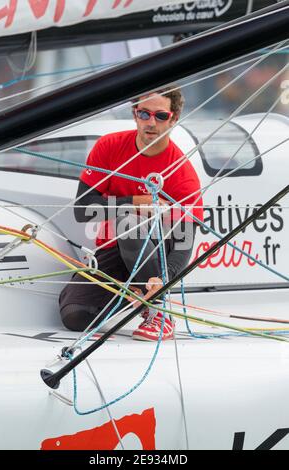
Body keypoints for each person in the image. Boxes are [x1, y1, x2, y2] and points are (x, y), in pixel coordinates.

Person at [59, 86, 204, 340]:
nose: (151, 123)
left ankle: (158, 310)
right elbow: (83, 211)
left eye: (160, 116)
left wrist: (163, 279)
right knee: (75, 316)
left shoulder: (182, 174)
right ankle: (132, 296)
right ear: (135, 114)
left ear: (174, 119)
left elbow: (184, 243)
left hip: (155, 250)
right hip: (113, 250)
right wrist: (134, 201)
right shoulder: (109, 147)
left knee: (130, 222)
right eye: (144, 114)